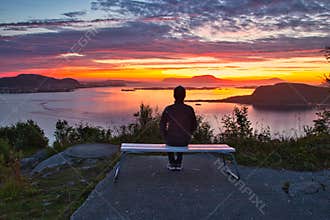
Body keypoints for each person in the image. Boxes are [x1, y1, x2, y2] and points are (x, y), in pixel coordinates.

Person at [160, 86, 197, 171]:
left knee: (170, 137)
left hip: (170, 140)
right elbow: (194, 125)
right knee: (182, 136)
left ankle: (172, 162)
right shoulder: (189, 109)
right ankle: (178, 162)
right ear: (184, 96)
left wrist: (165, 136)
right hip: (184, 141)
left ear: (174, 95)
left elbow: (162, 125)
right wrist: (190, 134)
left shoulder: (168, 109)